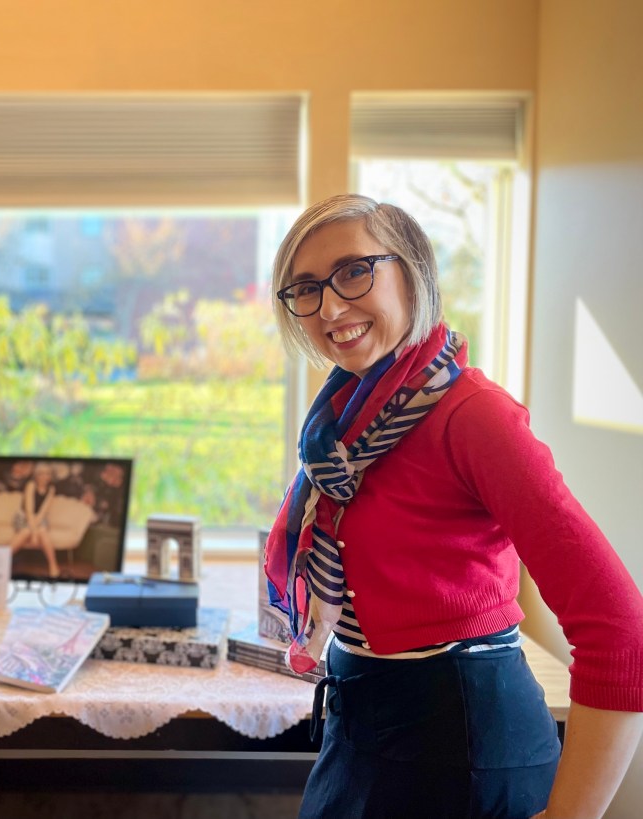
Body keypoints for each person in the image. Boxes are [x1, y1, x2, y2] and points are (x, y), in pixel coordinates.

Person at [264, 194, 643, 819]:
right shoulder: (347, 421)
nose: (330, 306)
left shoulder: (473, 415)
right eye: (306, 289)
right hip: (361, 722)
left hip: (461, 743)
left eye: (354, 271)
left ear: (414, 273)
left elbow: (620, 630)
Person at [10, 461, 61, 579]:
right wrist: (33, 533)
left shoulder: (51, 489)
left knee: (42, 530)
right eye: (41, 474)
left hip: (40, 518)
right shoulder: (31, 485)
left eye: (47, 474)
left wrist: (35, 531)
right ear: (36, 475)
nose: (44, 477)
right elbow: (29, 510)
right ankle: (0, 561)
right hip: (24, 516)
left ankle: (53, 567)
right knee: (26, 532)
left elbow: (43, 511)